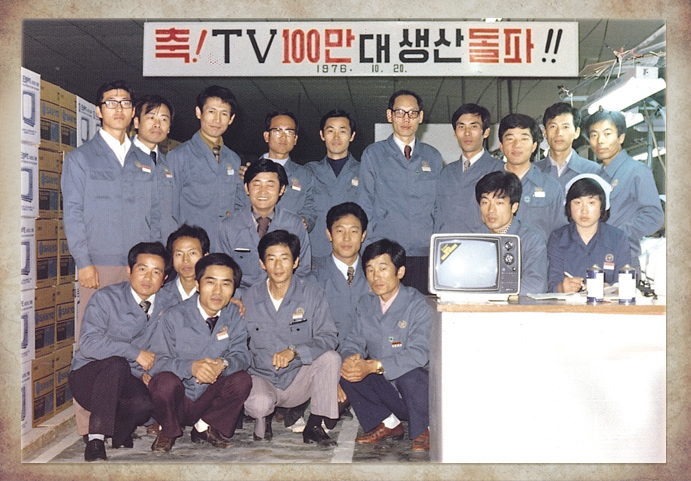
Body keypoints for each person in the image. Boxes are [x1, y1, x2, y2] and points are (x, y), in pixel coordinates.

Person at [62, 80, 161, 335]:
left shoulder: (145, 160)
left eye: (125, 103)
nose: (119, 109)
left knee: (138, 333)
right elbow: (72, 213)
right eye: (111, 103)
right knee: (95, 333)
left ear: (133, 111)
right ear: (98, 111)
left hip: (140, 265)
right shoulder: (80, 158)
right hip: (99, 264)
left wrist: (156, 260)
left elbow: (155, 213)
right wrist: (83, 262)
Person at [68, 242, 172, 461]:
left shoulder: (168, 302)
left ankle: (120, 433)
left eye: (156, 272)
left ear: (164, 278)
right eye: (142, 269)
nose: (148, 277)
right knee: (116, 363)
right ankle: (95, 439)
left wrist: (235, 301)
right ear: (129, 271)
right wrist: (133, 352)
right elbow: (88, 343)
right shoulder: (106, 298)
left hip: (130, 377)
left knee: (144, 405)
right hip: (89, 377)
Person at [242, 230, 340, 446]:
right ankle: (263, 420)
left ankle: (314, 425)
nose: (278, 266)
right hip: (262, 378)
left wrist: (295, 351)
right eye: (271, 259)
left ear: (295, 262)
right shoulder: (248, 298)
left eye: (284, 258)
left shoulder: (312, 294)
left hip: (298, 379)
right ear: (262, 263)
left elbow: (329, 336)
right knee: (259, 406)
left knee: (331, 358)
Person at [147, 253, 252, 452]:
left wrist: (223, 364)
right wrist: (191, 368)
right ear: (197, 284)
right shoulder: (173, 316)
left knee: (242, 379)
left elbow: (243, 355)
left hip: (208, 398)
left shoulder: (234, 315)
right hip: (179, 397)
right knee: (163, 382)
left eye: (226, 284)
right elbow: (157, 362)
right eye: (210, 282)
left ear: (233, 289)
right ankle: (168, 430)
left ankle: (204, 427)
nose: (217, 291)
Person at [339, 238, 431, 451]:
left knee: (411, 375)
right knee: (348, 370)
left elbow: (419, 353)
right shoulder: (366, 303)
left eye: (382, 268)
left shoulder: (419, 304)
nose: (376, 277)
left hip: (418, 392)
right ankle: (388, 422)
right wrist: (351, 358)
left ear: (400, 272)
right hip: (388, 389)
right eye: (370, 270)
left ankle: (423, 428)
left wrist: (374, 366)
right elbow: (353, 340)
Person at [358, 90, 443, 294]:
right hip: (386, 255)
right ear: (390, 115)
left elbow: (439, 208)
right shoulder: (373, 154)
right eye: (400, 113)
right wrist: (369, 256)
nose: (406, 119)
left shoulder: (433, 156)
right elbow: (364, 206)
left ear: (420, 117)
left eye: (412, 113)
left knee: (424, 310)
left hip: (425, 254)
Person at [308, 202, 370, 426]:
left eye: (353, 231)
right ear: (328, 234)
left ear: (363, 235)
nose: (346, 238)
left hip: (364, 361)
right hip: (328, 361)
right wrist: (331, 377)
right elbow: (309, 333)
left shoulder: (375, 273)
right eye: (339, 230)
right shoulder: (313, 278)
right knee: (329, 417)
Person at [166, 85, 244, 250]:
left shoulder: (234, 160)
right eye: (211, 111)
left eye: (224, 114)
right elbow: (169, 210)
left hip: (225, 248)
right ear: (198, 112)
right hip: (192, 248)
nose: (217, 120)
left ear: (231, 119)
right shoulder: (178, 156)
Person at [218, 158, 311, 294]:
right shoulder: (228, 226)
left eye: (270, 185)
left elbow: (303, 270)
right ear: (246, 188)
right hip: (242, 299)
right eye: (257, 184)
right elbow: (221, 270)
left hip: (284, 297)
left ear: (281, 190)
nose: (263, 191)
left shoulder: (294, 224)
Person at [584, 108, 664, 268]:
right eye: (594, 135)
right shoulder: (595, 177)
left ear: (621, 137)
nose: (600, 141)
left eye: (607, 134)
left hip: (622, 261)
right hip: (593, 259)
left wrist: (619, 234)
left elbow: (654, 216)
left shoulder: (637, 171)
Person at [547, 174, 631, 292]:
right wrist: (562, 288)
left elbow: (627, 283)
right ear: (569, 206)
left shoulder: (618, 238)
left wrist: (607, 288)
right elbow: (551, 282)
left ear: (602, 206)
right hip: (569, 303)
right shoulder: (557, 238)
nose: (584, 211)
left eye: (591, 203)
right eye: (577, 203)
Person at [238, 111, 316, 231]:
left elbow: (310, 209)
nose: (283, 137)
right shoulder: (248, 172)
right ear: (266, 136)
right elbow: (238, 207)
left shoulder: (304, 176)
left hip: (289, 238)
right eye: (278, 130)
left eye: (289, 132)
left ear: (295, 139)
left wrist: (305, 220)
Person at [434, 103, 504, 234]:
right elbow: (438, 215)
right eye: (461, 127)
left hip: (482, 244)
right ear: (455, 133)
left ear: (486, 132)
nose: (467, 133)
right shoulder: (446, 173)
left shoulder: (500, 171)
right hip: (447, 244)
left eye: (474, 126)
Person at [474, 171, 548, 295]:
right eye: (485, 202)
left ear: (514, 207)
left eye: (499, 203)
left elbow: (537, 284)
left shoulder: (531, 239)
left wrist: (493, 294)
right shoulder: (475, 237)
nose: (491, 210)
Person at [498, 113, 567, 241]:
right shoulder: (488, 186)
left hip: (538, 254)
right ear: (501, 146)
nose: (516, 145)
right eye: (510, 139)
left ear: (534, 146)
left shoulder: (551, 187)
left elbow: (561, 234)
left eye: (524, 139)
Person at [307, 109, 361, 263]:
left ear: (352, 136)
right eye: (330, 131)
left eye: (342, 131)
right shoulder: (308, 171)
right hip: (316, 255)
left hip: (353, 255)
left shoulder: (365, 171)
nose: (336, 137)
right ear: (322, 135)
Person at [132, 93, 177, 242]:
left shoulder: (169, 165)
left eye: (164, 119)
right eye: (151, 117)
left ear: (169, 128)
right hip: (132, 247)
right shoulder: (122, 158)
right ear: (136, 122)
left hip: (163, 247)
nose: (157, 124)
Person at [534, 102, 600, 189]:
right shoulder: (532, 172)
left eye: (565, 127)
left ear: (576, 132)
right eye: (553, 126)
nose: (559, 133)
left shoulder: (593, 172)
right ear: (545, 132)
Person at [158, 224, 211, 305]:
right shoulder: (159, 294)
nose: (185, 260)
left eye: (192, 253)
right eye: (179, 254)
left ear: (205, 256)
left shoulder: (216, 294)